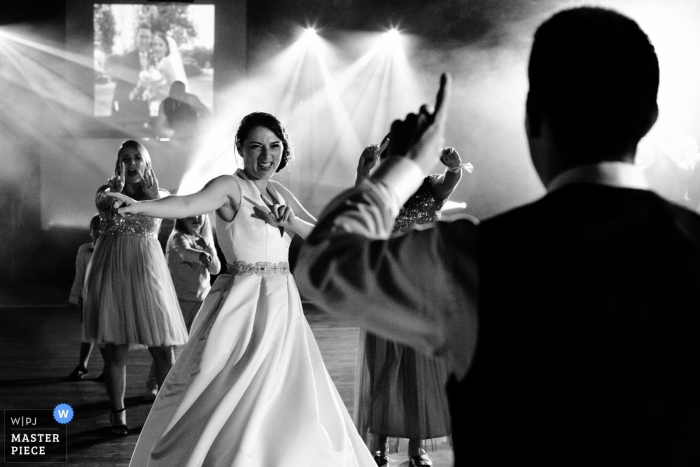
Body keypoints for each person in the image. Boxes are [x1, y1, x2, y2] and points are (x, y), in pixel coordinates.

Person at [294, 6, 700, 466]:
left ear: (531, 118)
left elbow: (324, 261)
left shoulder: (473, 254)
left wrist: (400, 167)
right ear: (650, 119)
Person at [108, 112, 375, 466]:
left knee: (285, 394)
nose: (267, 156)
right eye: (256, 147)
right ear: (240, 149)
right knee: (225, 391)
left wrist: (297, 217)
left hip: (282, 307)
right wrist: (139, 206)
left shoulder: (278, 192)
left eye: (275, 146)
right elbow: (189, 203)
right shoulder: (229, 187)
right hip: (243, 305)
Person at [354, 143, 464, 466]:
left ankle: (417, 448)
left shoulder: (431, 186)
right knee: (386, 367)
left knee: (419, 372)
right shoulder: (380, 191)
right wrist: (363, 172)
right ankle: (380, 443)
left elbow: (449, 182)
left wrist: (455, 168)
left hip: (423, 290)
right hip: (386, 289)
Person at [83, 140, 188, 436]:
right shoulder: (106, 192)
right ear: (118, 164)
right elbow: (103, 203)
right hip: (112, 271)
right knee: (115, 350)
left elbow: (166, 205)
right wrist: (114, 192)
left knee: (164, 351)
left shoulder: (160, 193)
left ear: (146, 163)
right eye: (125, 158)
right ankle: (118, 414)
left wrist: (152, 197)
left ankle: (165, 414)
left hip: (147, 272)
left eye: (136, 158)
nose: (131, 163)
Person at [144, 214, 222, 402]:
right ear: (181, 218)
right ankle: (154, 383)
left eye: (200, 215)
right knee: (168, 345)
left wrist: (208, 248)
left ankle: (185, 383)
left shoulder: (204, 240)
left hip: (201, 300)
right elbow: (184, 253)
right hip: (178, 300)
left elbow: (216, 269)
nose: (196, 218)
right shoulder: (178, 237)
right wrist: (201, 255)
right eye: (190, 215)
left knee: (194, 344)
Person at [67, 214, 106, 382]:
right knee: (87, 334)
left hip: (106, 298)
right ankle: (82, 366)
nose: (98, 232)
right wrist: (74, 298)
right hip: (88, 299)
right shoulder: (84, 250)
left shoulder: (112, 249)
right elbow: (80, 275)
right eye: (95, 229)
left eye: (102, 229)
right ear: (90, 232)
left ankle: (109, 367)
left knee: (104, 335)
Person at [111, 23, 152, 122]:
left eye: (147, 37)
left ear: (151, 39)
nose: (144, 40)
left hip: (152, 110)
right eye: (141, 37)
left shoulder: (155, 58)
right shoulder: (126, 58)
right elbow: (120, 87)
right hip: (132, 110)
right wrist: (115, 112)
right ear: (136, 38)